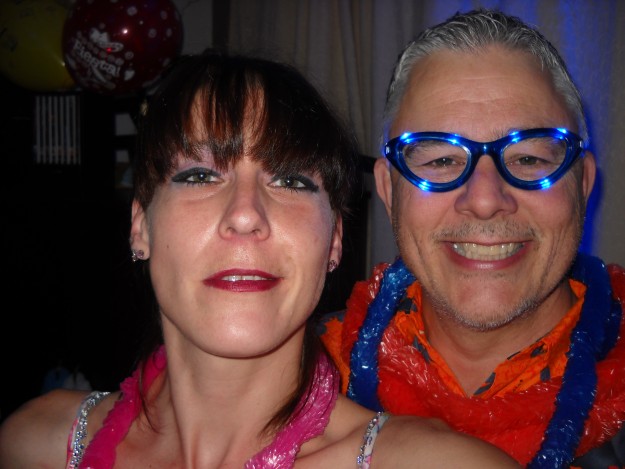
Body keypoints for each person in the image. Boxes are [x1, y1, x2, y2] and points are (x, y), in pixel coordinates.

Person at [0, 50, 519, 469]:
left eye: (291, 181)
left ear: (334, 241)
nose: (246, 215)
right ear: (141, 227)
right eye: (200, 176)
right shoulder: (34, 445)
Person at [320, 8, 625, 468]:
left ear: (582, 184)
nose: (484, 200)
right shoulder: (302, 376)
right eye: (441, 161)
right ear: (388, 190)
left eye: (528, 159)